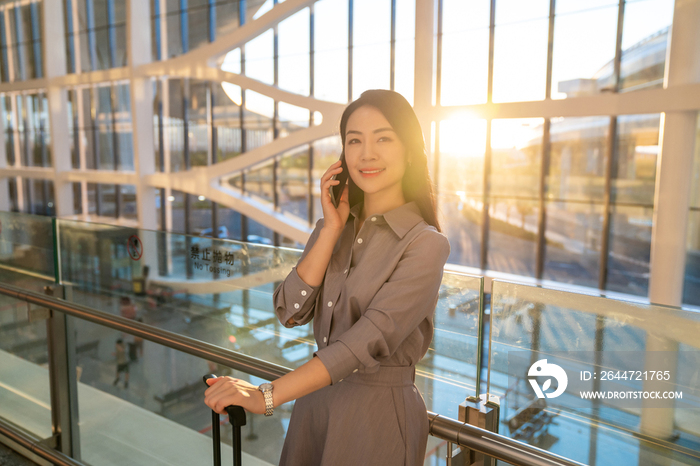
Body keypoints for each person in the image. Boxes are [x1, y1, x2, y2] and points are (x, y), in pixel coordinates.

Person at [204, 89, 451, 466]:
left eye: (383, 138)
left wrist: (265, 395)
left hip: (376, 418)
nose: (366, 153)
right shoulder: (334, 226)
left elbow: (363, 343)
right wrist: (332, 230)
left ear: (411, 149)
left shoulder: (426, 245)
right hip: (315, 406)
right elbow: (289, 311)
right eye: (354, 141)